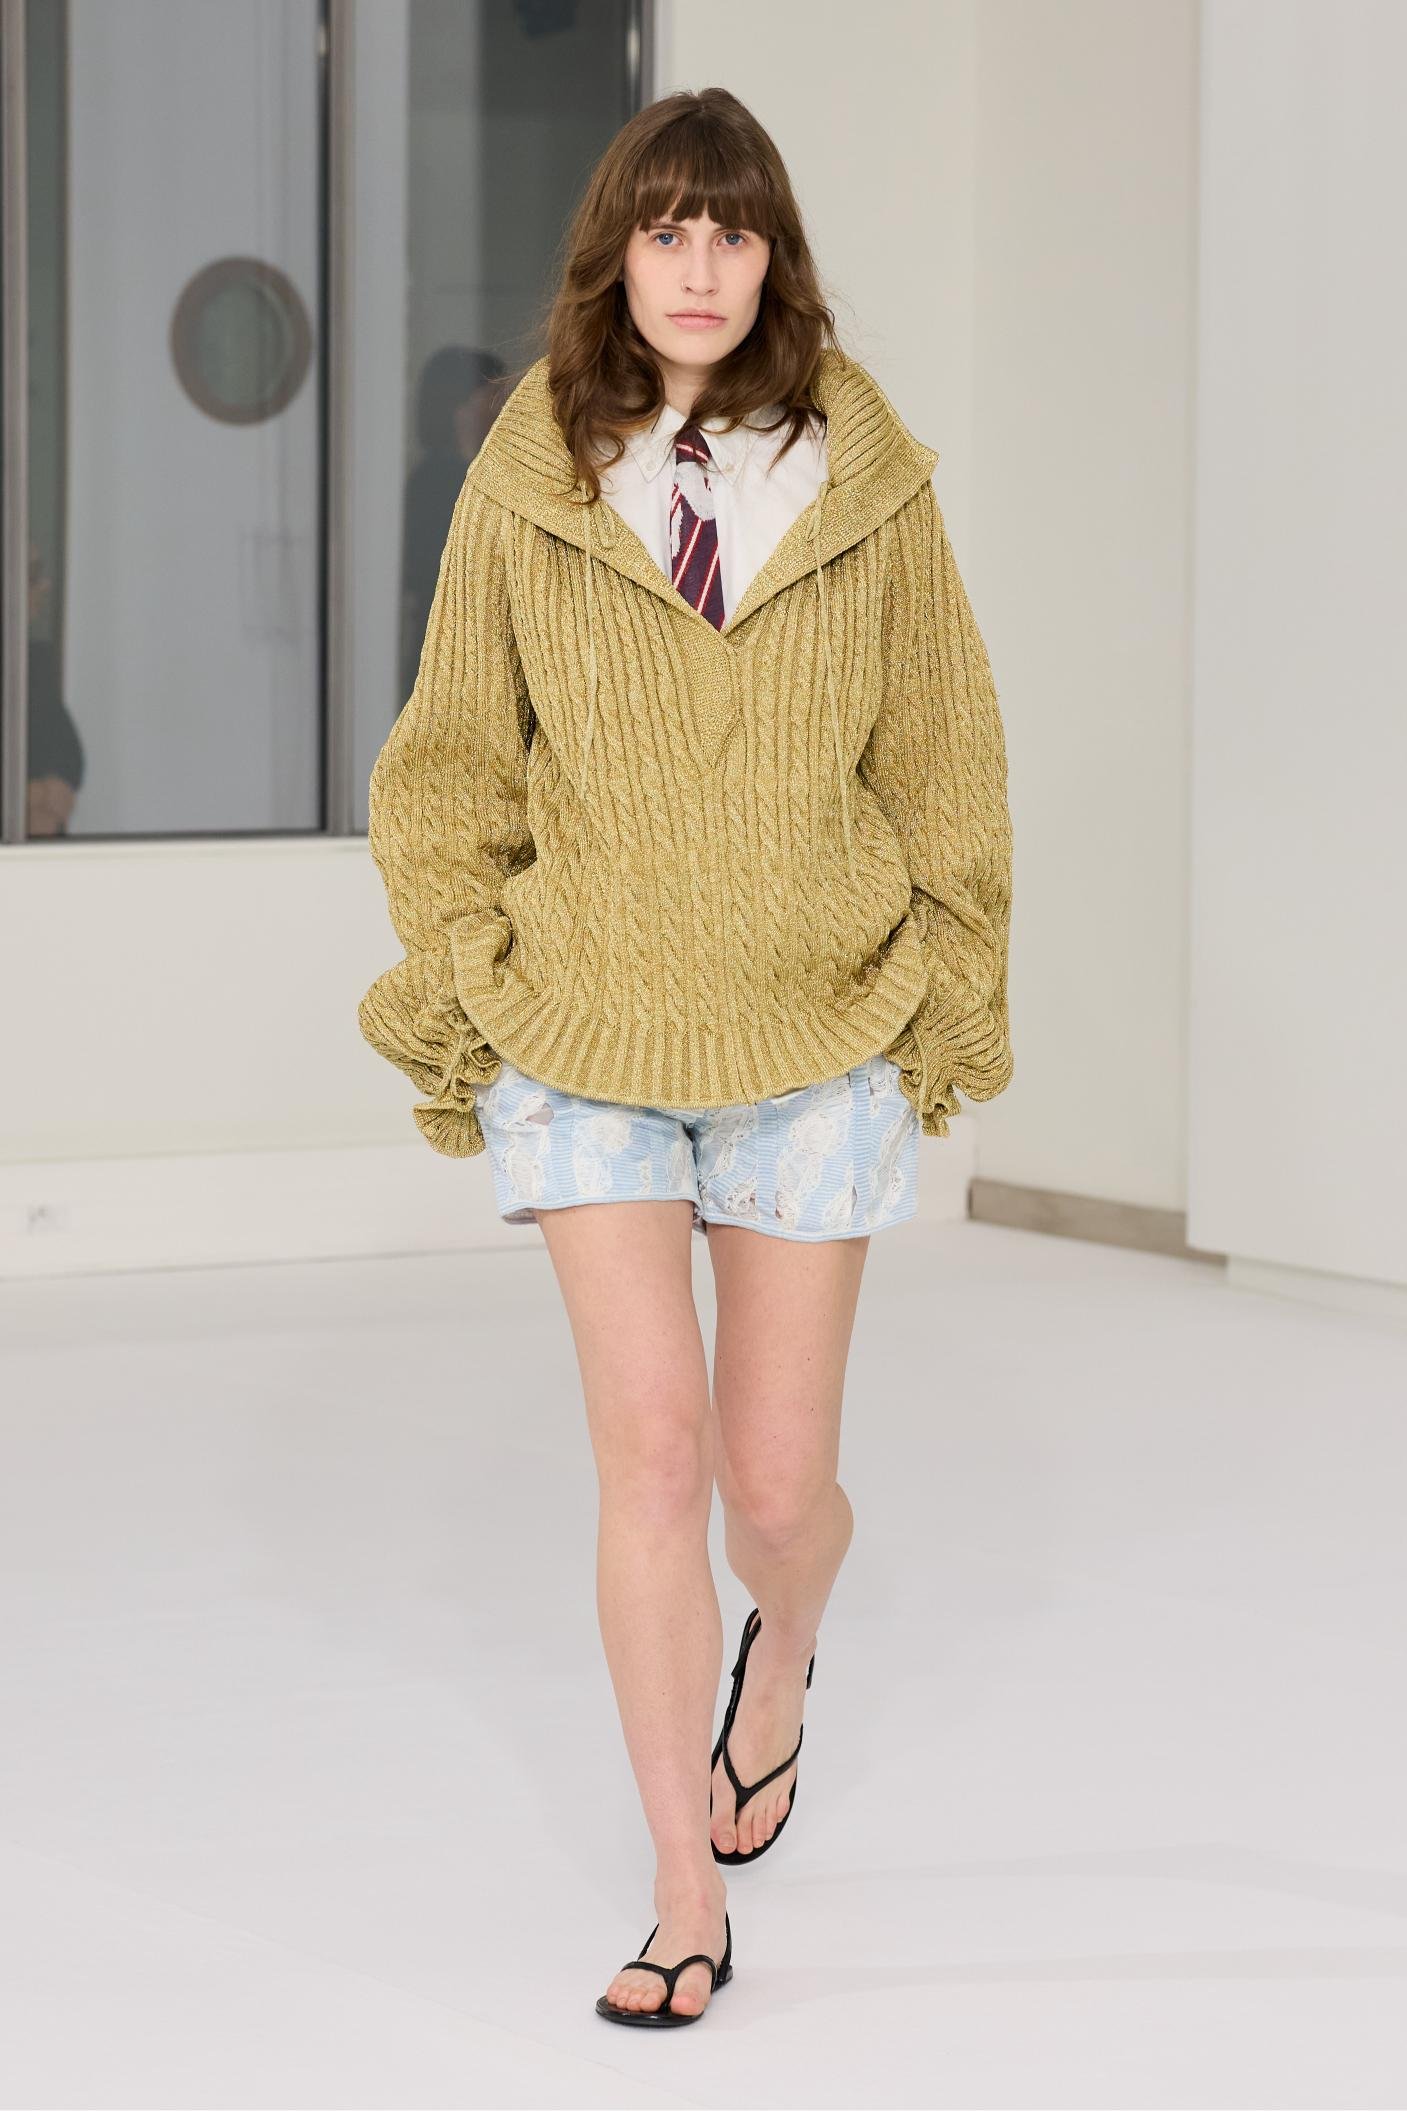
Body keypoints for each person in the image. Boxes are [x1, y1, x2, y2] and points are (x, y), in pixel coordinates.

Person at [359, 86, 1014, 2029]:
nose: (700, 266)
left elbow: (946, 764)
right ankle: (677, 1889)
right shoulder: (529, 474)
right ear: (617, 257)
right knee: (646, 1457)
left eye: (731, 231)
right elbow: (450, 764)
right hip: (584, 1033)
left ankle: (782, 1653)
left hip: (816, 1030)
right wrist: (471, 969)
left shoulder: (867, 482)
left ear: (772, 256)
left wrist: (945, 982)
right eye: (666, 231)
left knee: (770, 1489)